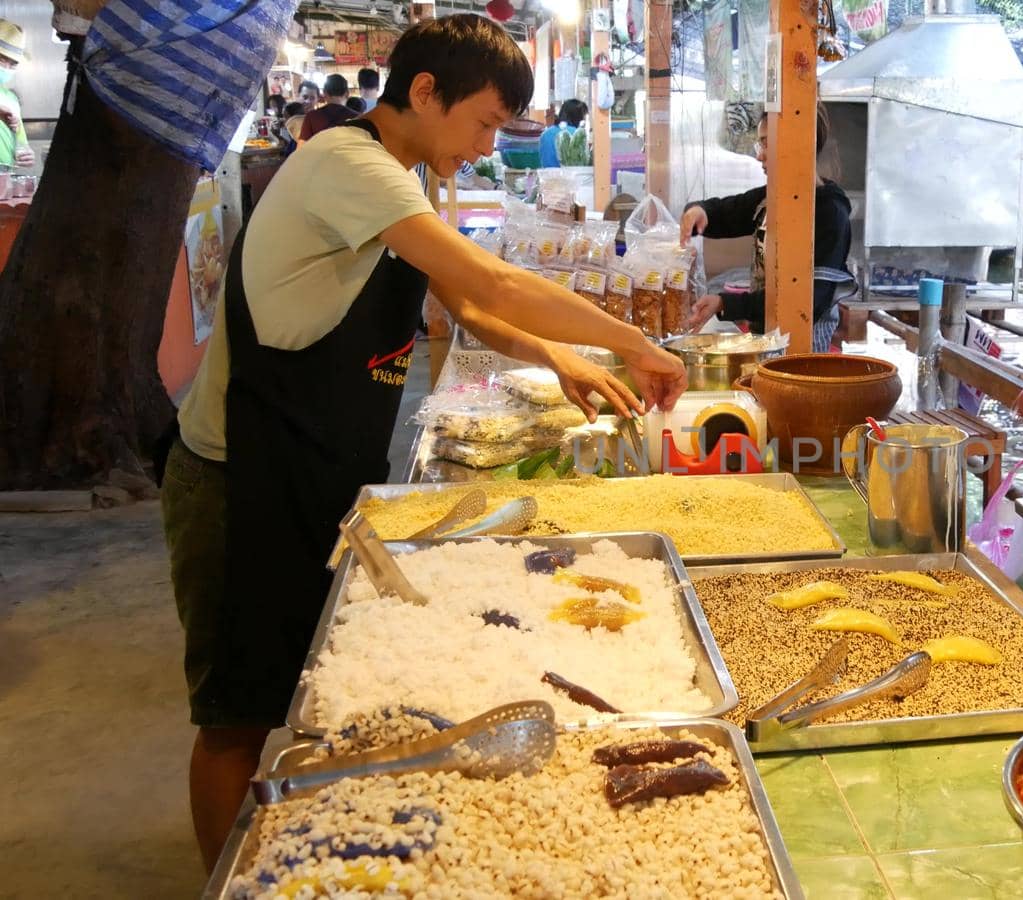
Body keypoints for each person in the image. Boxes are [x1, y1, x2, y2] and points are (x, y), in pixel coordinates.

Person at [161, 14, 686, 873]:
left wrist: (558, 356)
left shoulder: (399, 172)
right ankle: (228, 881)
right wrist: (634, 344)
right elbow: (495, 280)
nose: (484, 146)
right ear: (425, 92)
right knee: (235, 717)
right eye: (481, 123)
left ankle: (293, 864)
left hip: (313, 467)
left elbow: (467, 310)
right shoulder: (346, 163)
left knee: (304, 691)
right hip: (238, 480)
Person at [678, 110, 852, 351]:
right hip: (767, 340)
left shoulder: (829, 213)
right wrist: (698, 211)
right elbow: (726, 212)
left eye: (767, 143)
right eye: (760, 143)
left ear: (798, 142)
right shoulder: (771, 197)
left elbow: (808, 300)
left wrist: (725, 303)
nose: (760, 156)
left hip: (804, 350)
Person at [0, 19, 35, 170]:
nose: (6, 68)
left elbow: (20, 143)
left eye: (13, 63)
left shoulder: (11, 99)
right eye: (1, 60)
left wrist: (27, 154)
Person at [299, 73, 356, 140]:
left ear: (324, 93)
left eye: (312, 98)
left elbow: (301, 148)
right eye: (305, 97)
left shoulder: (311, 117)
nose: (308, 101)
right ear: (347, 93)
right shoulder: (358, 117)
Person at [539, 98, 586, 168]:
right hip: (570, 177)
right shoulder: (576, 134)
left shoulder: (545, 134)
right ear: (577, 116)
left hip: (547, 177)